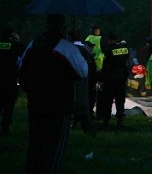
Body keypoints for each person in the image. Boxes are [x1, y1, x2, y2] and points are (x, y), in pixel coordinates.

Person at [19, 14, 88, 173]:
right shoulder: (66, 48)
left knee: (35, 143)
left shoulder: (32, 45)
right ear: (63, 28)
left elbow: (22, 72)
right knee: (55, 146)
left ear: (46, 25)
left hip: (36, 102)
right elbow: (82, 72)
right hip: (60, 104)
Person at [100, 31, 129, 130]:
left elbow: (106, 65)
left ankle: (106, 123)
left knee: (108, 101)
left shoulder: (109, 50)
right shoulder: (125, 48)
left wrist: (102, 78)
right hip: (122, 79)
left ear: (111, 40)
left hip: (111, 79)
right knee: (120, 101)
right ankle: (120, 122)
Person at [69, 29, 96, 136]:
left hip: (73, 80)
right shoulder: (86, 50)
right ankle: (89, 130)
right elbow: (92, 67)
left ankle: (73, 124)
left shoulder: (71, 49)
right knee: (83, 105)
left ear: (70, 37)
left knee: (72, 103)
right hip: (85, 80)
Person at [0, 25, 25, 135]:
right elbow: (25, 53)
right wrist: (18, 40)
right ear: (11, 34)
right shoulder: (15, 44)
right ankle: (5, 128)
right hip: (11, 78)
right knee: (9, 105)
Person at [84, 24, 103, 116]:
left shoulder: (87, 39)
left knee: (90, 90)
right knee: (100, 91)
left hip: (90, 67)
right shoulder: (100, 39)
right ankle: (99, 112)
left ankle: (89, 111)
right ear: (97, 31)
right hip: (100, 67)